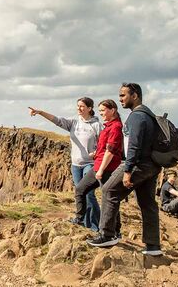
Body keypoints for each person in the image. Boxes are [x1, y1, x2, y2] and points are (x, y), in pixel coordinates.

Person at [87, 82, 163, 257]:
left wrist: (128, 170)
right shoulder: (148, 114)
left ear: (134, 95)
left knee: (108, 190)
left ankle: (107, 235)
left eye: (123, 95)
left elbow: (134, 146)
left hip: (137, 164)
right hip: (152, 165)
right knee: (147, 203)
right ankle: (153, 246)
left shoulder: (136, 116)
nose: (120, 99)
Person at [29, 98, 102, 230]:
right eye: (78, 106)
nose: (79, 108)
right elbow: (56, 120)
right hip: (76, 165)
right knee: (80, 193)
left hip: (90, 164)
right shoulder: (74, 123)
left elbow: (103, 143)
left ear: (90, 108)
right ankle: (84, 222)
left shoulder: (96, 125)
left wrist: (96, 152)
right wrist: (40, 112)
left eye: (82, 106)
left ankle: (96, 226)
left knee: (89, 193)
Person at [70, 99, 123, 233]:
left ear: (112, 110)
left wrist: (101, 170)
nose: (101, 113)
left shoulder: (116, 127)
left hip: (106, 169)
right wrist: (95, 153)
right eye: (99, 111)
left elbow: (110, 151)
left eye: (103, 110)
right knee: (80, 189)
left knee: (109, 199)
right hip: (98, 165)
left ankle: (115, 230)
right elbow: (104, 148)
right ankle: (80, 218)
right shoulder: (108, 126)